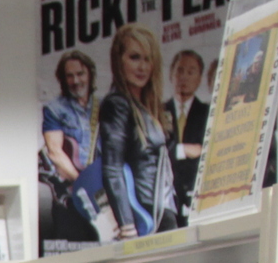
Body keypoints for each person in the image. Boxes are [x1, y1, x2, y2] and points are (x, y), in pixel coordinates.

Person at [98, 24, 177, 238]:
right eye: (134, 57)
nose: (142, 67)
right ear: (119, 60)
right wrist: (127, 224)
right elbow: (112, 168)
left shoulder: (146, 107)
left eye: (147, 59)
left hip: (161, 211)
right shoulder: (118, 105)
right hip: (145, 215)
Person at [39, 49, 104, 244]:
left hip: (103, 192)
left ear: (90, 75)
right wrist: (83, 182)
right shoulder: (55, 109)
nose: (76, 81)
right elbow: (55, 152)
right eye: (70, 76)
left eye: (80, 74)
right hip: (70, 194)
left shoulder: (105, 106)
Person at [163, 46, 209, 210]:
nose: (184, 77)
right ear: (171, 75)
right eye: (180, 71)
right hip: (165, 196)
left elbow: (208, 151)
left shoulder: (208, 113)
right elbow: (155, 152)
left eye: (191, 72)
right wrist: (183, 150)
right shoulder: (158, 112)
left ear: (199, 78)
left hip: (197, 194)